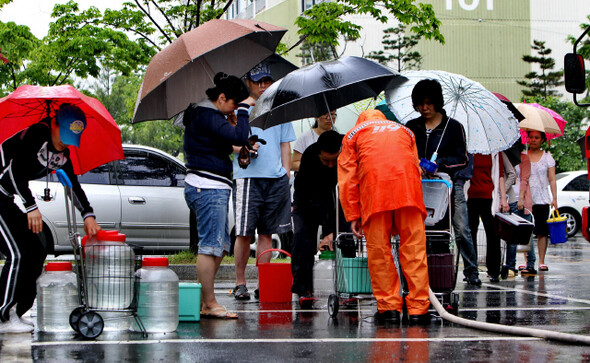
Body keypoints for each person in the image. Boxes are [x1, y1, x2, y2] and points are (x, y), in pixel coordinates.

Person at [0, 103, 100, 333]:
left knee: (36, 248)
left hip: (6, 198)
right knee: (17, 253)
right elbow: (12, 173)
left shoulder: (62, 154)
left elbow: (72, 184)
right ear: (53, 124)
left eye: (70, 139)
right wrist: (30, 206)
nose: (64, 143)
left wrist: (88, 214)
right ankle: (2, 315)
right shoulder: (35, 134)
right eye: (62, 135)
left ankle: (16, 311)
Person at [339, 109, 431, 325]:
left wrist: (354, 214)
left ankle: (389, 308)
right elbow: (415, 166)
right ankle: (418, 309)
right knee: (414, 249)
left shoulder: (353, 134)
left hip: (375, 194)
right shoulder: (405, 131)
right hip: (408, 193)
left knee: (379, 251)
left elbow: (348, 178)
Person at [183, 72, 253, 319]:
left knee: (220, 246)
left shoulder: (207, 116)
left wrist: (233, 123)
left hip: (212, 187)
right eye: (235, 102)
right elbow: (239, 137)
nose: (236, 107)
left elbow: (228, 142)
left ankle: (207, 300)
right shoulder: (206, 114)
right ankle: (209, 303)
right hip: (207, 187)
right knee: (210, 246)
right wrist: (243, 112)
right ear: (222, 97)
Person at [404, 80, 480, 286]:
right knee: (420, 228)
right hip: (418, 185)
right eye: (420, 104)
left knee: (461, 228)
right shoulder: (411, 127)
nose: (424, 108)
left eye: (428, 103)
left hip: (447, 186)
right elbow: (402, 153)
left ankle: (471, 270)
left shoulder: (453, 127)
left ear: (437, 102)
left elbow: (462, 158)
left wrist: (440, 164)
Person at [232, 62, 296, 300]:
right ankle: (240, 283)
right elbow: (230, 142)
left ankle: (264, 282)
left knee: (267, 233)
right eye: (257, 81)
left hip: (276, 178)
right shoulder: (240, 109)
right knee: (244, 233)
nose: (262, 86)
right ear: (248, 82)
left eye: (266, 81)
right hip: (248, 178)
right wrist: (244, 147)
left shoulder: (279, 108)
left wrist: (286, 172)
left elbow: (285, 142)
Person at [290, 130, 343, 306]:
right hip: (307, 202)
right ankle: (303, 288)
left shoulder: (348, 155)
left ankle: (346, 286)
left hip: (338, 201)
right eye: (325, 160)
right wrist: (325, 234)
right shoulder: (310, 156)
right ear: (319, 153)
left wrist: (331, 231)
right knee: (302, 238)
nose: (330, 165)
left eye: (334, 160)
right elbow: (308, 197)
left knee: (345, 239)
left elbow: (342, 200)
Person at [467, 153, 508, 282]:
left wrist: (503, 198)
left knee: (493, 234)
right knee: (470, 234)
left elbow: (500, 175)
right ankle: (472, 271)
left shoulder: (495, 151)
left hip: (490, 197)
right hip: (470, 196)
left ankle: (494, 271)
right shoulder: (468, 149)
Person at [525, 130, 557, 273]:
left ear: (542, 140)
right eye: (531, 137)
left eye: (537, 138)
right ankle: (527, 261)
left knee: (542, 232)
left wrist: (555, 198)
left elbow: (552, 179)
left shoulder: (548, 158)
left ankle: (542, 261)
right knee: (525, 231)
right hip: (526, 199)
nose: (533, 140)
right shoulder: (523, 157)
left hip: (542, 199)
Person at [502, 150, 535, 276]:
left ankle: (530, 263)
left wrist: (521, 198)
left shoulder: (524, 158)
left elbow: (525, 179)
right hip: (509, 198)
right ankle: (511, 265)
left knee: (526, 234)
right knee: (511, 234)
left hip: (522, 199)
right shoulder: (504, 156)